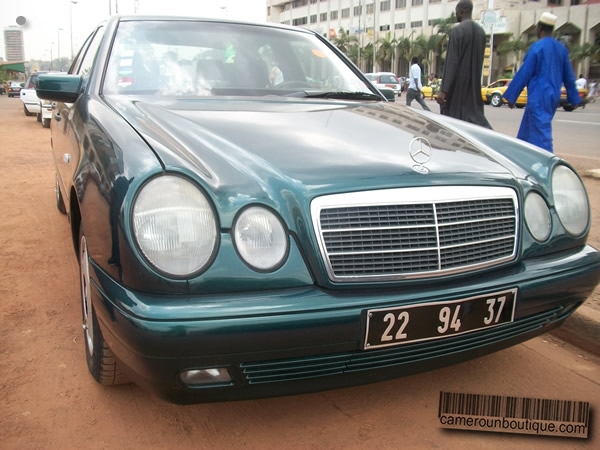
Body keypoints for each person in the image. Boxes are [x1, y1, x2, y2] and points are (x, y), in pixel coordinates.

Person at [503, 12, 580, 153]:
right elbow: (569, 76)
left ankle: (546, 162)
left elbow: (524, 73)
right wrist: (574, 99)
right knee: (527, 131)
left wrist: (511, 96)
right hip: (552, 97)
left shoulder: (537, 48)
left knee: (541, 133)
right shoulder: (562, 49)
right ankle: (522, 158)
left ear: (539, 28)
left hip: (539, 96)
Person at [436, 0, 491, 129]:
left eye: (456, 11)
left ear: (461, 11)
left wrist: (444, 90)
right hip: (473, 86)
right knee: (473, 120)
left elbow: (452, 62)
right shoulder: (481, 33)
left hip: (457, 88)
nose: (456, 14)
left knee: (454, 123)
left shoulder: (457, 32)